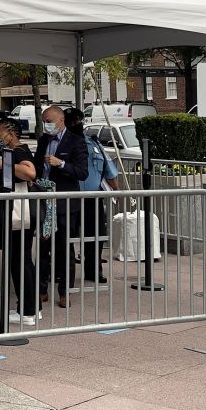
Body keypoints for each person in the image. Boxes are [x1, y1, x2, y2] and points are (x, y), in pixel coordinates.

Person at [34, 104, 88, 307]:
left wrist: (61, 164)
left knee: (65, 249)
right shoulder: (43, 141)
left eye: (49, 122)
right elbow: (38, 166)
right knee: (43, 248)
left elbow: (82, 172)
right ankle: (42, 289)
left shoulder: (76, 142)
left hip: (65, 204)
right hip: (45, 202)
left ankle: (65, 291)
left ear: (60, 121)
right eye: (44, 122)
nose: (46, 126)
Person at [0, 119, 39, 325]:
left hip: (20, 213)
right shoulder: (12, 152)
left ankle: (27, 311)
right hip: (18, 213)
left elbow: (30, 173)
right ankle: (30, 307)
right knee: (21, 260)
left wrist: (4, 164)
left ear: (10, 133)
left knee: (20, 260)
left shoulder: (18, 152)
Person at [79, 112, 119, 285]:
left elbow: (109, 171)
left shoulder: (94, 144)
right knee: (65, 237)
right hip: (66, 198)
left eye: (79, 121)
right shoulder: (57, 145)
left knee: (95, 236)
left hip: (92, 199)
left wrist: (117, 190)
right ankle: (61, 271)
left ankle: (94, 270)